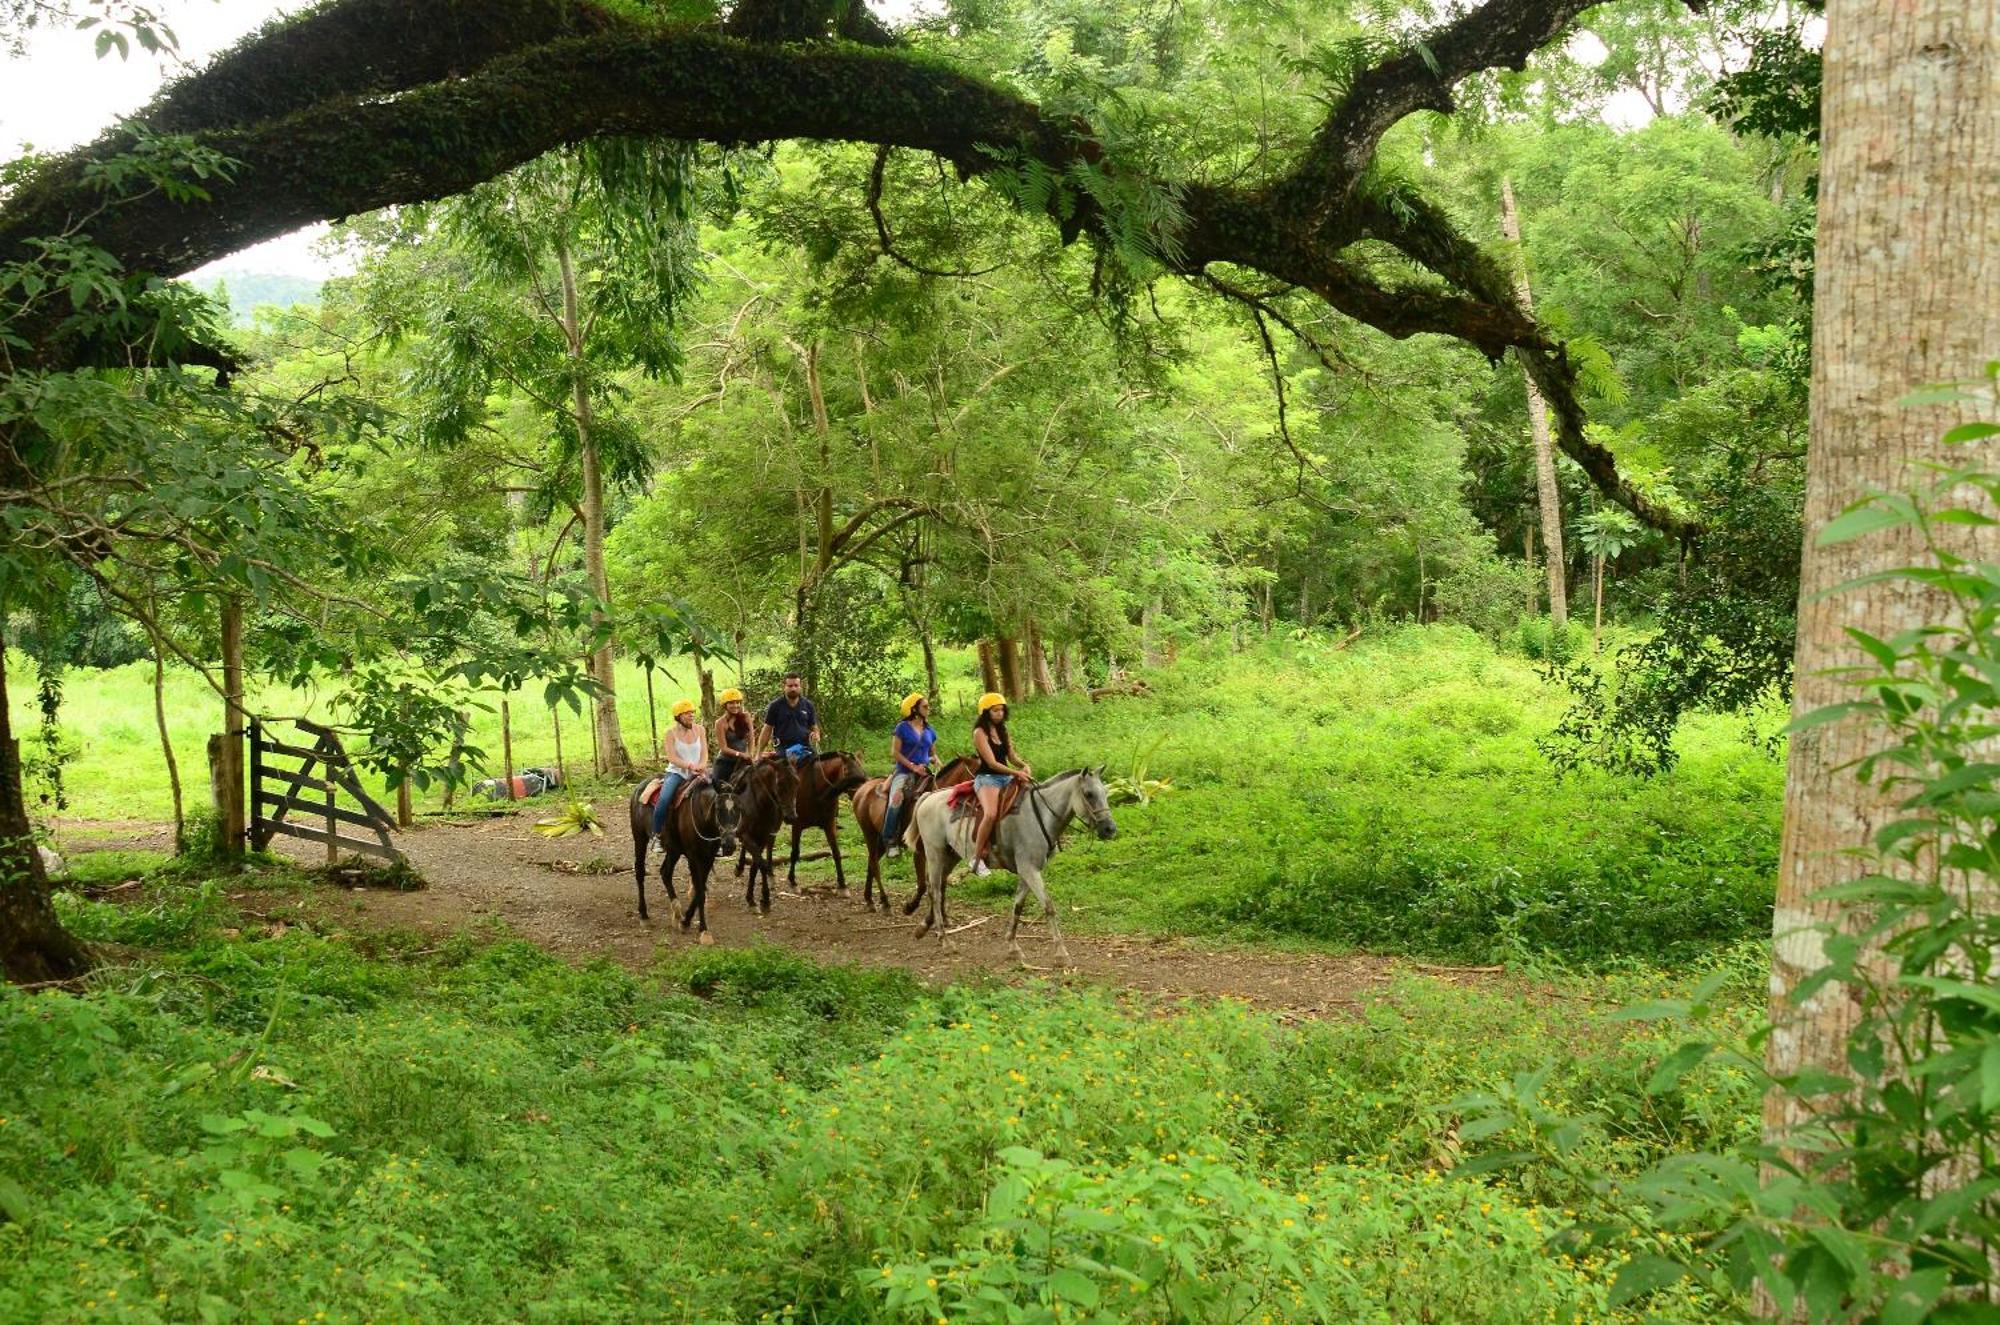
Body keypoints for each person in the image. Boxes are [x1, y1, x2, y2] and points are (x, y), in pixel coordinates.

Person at [969, 691, 1030, 876]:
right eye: (995, 710)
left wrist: (1024, 765)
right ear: (986, 712)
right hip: (988, 778)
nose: (1000, 714)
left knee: (1031, 799)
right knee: (990, 814)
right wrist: (1016, 772)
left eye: (1002, 710)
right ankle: (976, 858)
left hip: (1006, 776)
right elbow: (992, 763)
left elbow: (1011, 757)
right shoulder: (979, 733)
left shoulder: (1003, 730)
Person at [880, 692, 937, 859]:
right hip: (904, 772)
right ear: (914, 709)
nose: (928, 709)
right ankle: (890, 840)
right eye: (925, 706)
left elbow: (932, 752)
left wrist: (936, 761)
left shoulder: (929, 730)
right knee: (895, 802)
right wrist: (912, 766)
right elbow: (895, 753)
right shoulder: (902, 728)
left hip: (925, 772)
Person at [652, 699, 709, 840]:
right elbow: (672, 757)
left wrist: (701, 766)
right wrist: (690, 766)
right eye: (687, 713)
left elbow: (705, 753)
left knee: (720, 793)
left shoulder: (700, 730)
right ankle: (657, 835)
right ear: (678, 717)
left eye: (692, 713)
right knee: (664, 799)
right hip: (677, 773)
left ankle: (720, 838)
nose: (691, 716)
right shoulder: (670, 733)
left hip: (699, 771)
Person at [759, 671, 820, 766]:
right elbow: (767, 730)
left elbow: (814, 727)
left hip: (805, 747)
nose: (793, 688)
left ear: (800, 686)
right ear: (784, 687)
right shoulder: (775, 706)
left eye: (796, 685)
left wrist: (816, 735)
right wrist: (759, 753)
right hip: (784, 749)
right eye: (790, 686)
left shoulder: (808, 705)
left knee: (819, 768)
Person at [712, 688, 753, 787]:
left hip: (743, 761)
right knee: (719, 789)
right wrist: (741, 755)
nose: (735, 705)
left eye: (738, 702)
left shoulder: (746, 717)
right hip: (726, 762)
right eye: (731, 703)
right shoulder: (720, 723)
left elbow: (751, 739)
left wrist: (751, 754)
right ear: (725, 705)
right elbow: (724, 748)